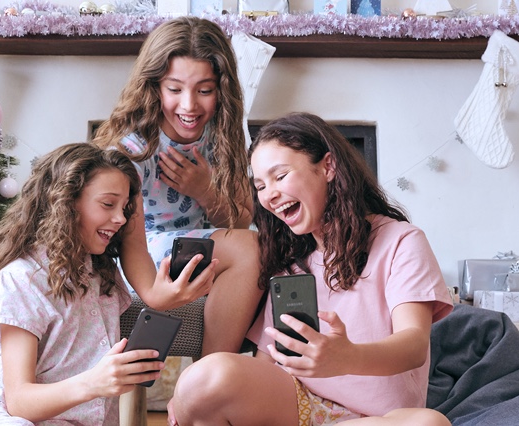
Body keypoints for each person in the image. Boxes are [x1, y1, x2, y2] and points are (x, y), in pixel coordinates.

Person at [168, 113, 455, 425]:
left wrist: (347, 357)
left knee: (430, 423)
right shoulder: (290, 260)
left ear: (328, 167)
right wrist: (187, 395)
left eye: (280, 176)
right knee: (201, 380)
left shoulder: (401, 241)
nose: (269, 195)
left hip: (375, 418)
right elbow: (269, 360)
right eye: (260, 186)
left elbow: (413, 345)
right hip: (300, 407)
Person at [0, 143, 214, 425]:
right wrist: (94, 382)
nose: (120, 219)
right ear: (65, 202)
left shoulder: (101, 273)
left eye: (124, 207)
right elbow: (19, 402)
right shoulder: (18, 279)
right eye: (108, 204)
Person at [93, 16, 264, 355]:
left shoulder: (221, 133)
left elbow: (242, 220)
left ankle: (218, 374)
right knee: (252, 249)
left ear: (222, 90)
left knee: (263, 247)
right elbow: (125, 239)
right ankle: (214, 369)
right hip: (143, 251)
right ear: (154, 86)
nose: (189, 105)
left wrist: (205, 191)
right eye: (174, 90)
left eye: (205, 91)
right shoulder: (133, 147)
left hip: (204, 246)